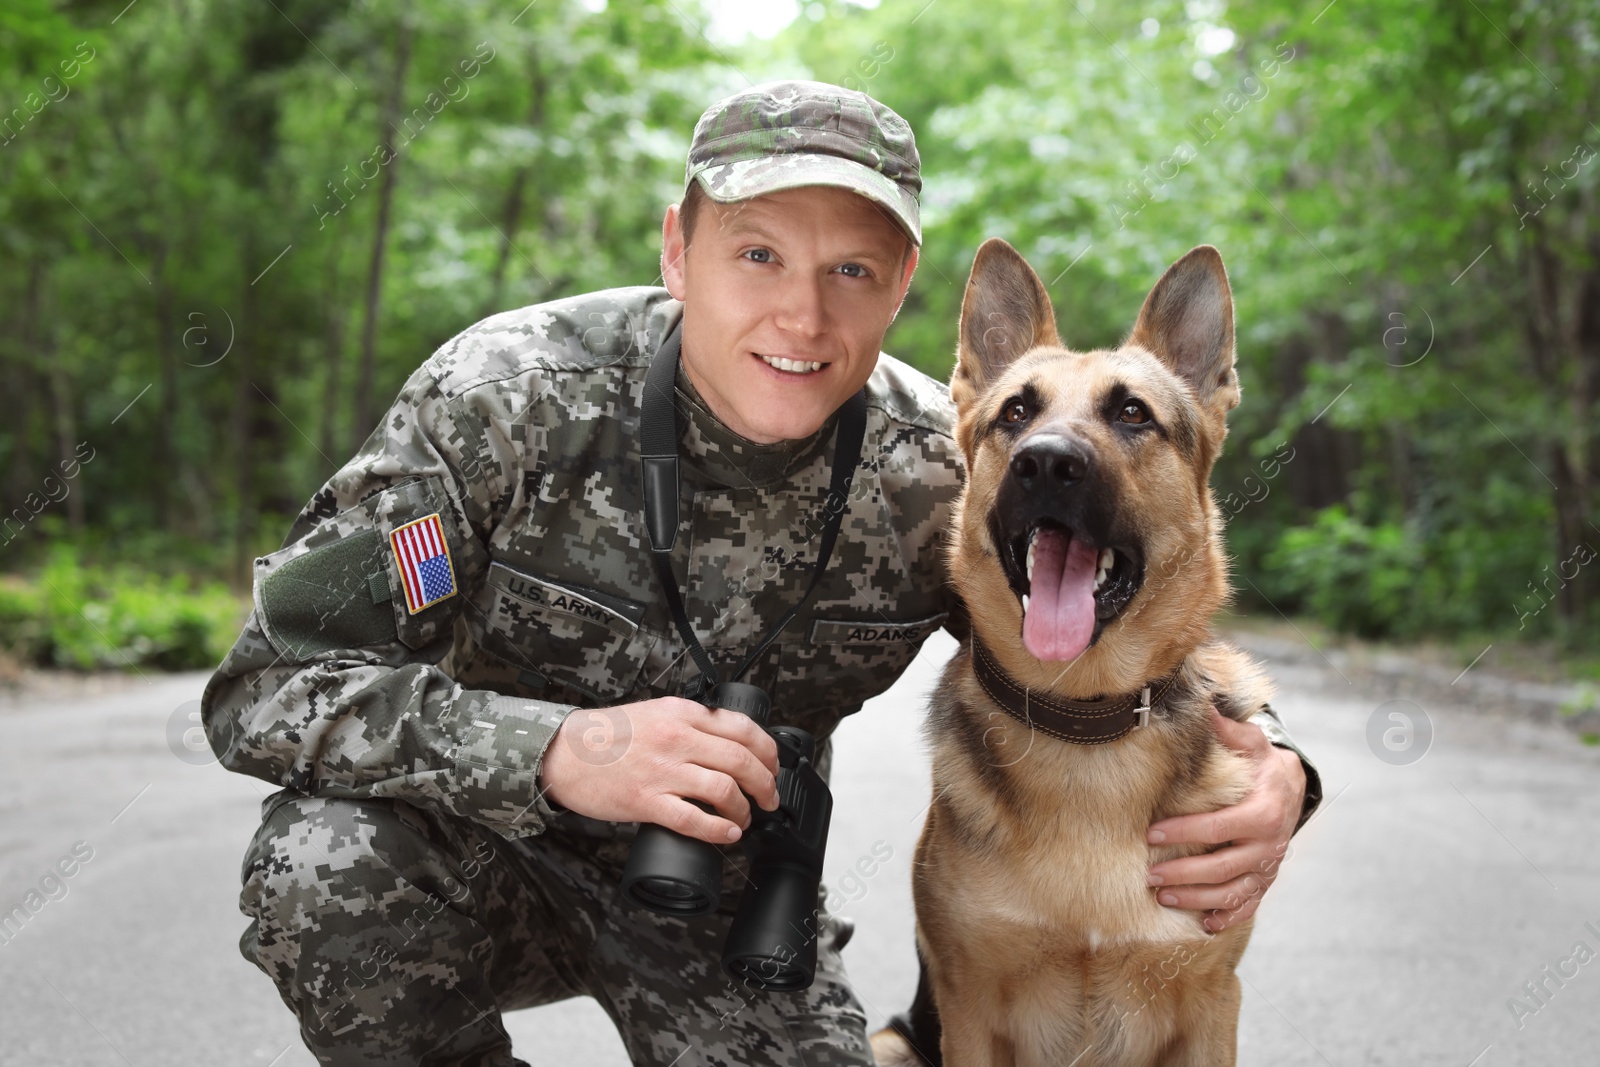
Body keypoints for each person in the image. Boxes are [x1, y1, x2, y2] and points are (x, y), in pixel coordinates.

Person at [201, 79, 1321, 1067]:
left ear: (900, 288)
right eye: (756, 253)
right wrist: (553, 748)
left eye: (850, 269)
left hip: (726, 898)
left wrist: (1283, 776)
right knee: (325, 866)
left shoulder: (953, 464)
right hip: (472, 851)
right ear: (676, 250)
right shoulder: (506, 399)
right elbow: (261, 687)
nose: (802, 312)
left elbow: (1121, 644)